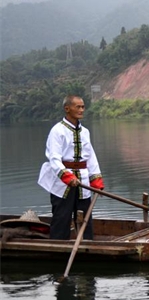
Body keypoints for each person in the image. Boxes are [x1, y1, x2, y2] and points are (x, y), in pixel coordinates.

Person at [38, 95, 104, 240]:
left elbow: (90, 156)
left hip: (83, 181)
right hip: (62, 184)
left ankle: (87, 245)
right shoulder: (57, 131)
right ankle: (58, 246)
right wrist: (67, 176)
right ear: (67, 108)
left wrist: (96, 179)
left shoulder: (85, 132)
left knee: (85, 217)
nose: (81, 110)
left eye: (83, 107)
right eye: (78, 107)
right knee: (62, 216)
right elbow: (54, 158)